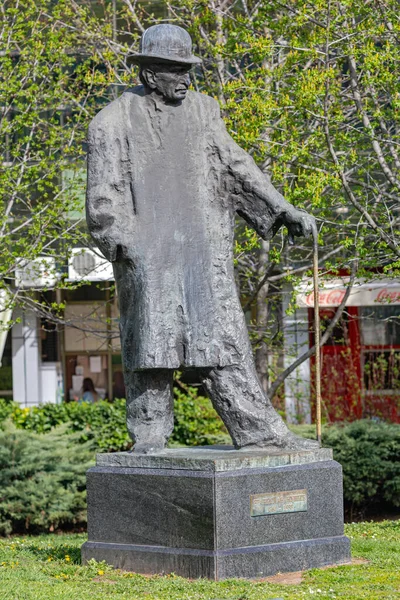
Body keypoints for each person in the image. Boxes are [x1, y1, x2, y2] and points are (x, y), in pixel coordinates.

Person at [86, 24, 318, 454]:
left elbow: (235, 164)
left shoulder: (203, 111)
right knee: (151, 344)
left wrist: (282, 208)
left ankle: (257, 430)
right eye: (176, 71)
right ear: (150, 74)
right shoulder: (111, 122)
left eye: (188, 69)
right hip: (148, 253)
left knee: (223, 338)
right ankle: (149, 432)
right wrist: (122, 244)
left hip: (200, 248)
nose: (186, 78)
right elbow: (103, 198)